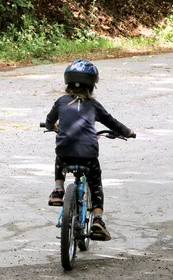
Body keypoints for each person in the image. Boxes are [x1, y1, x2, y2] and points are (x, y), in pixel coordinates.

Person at [44, 59, 135, 241]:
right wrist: (128, 132)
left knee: (60, 155)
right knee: (95, 182)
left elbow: (49, 121)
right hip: (88, 155)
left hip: (65, 153)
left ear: (68, 83)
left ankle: (58, 190)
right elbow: (112, 123)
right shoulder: (94, 106)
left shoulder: (61, 102)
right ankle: (98, 220)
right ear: (92, 86)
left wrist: (53, 126)